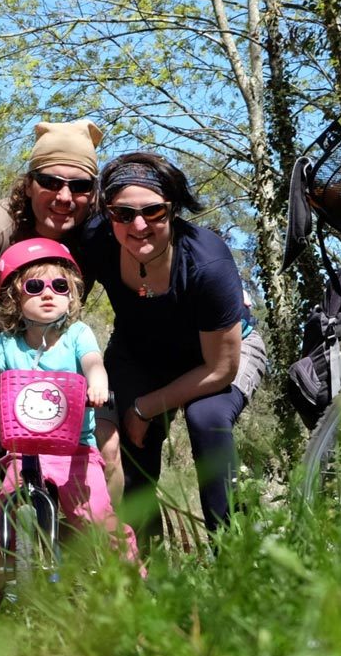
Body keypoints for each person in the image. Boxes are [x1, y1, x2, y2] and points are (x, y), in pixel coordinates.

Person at [0, 119, 125, 557]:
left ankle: (86, 564)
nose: (65, 197)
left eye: (80, 186)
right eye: (51, 181)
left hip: (60, 360)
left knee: (107, 446)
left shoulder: (91, 237)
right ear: (29, 183)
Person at [79, 151, 267, 546]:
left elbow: (221, 369)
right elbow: (58, 293)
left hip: (221, 356)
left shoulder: (206, 263)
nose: (139, 224)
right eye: (123, 213)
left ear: (173, 210)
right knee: (129, 445)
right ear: (108, 213)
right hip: (139, 349)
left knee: (207, 419)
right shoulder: (98, 239)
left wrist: (147, 407)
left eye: (154, 211)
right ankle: (148, 570)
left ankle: (234, 554)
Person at [0, 238, 136, 613]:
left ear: (72, 295)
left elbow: (92, 364)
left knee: (98, 517)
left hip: (76, 450)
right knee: (0, 523)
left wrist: (98, 383)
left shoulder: (77, 335)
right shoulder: (7, 344)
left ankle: (131, 583)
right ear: (15, 300)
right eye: (34, 287)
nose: (48, 294)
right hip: (24, 450)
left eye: (60, 286)